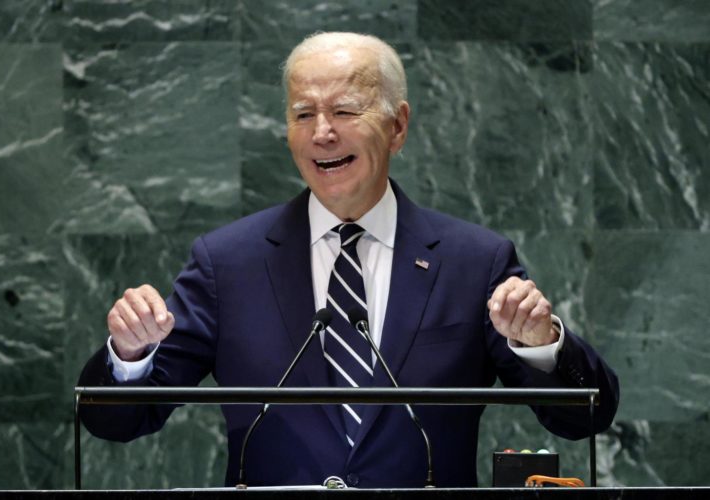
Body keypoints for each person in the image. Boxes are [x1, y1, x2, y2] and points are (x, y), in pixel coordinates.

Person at [79, 32, 619, 488]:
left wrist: (542, 345)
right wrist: (128, 357)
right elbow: (119, 421)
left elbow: (583, 418)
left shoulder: (474, 261)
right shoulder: (229, 263)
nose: (322, 133)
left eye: (344, 111)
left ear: (398, 125)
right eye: (303, 114)